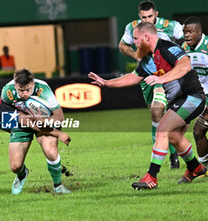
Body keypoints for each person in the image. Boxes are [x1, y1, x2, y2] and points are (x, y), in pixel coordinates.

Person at [89, 22, 206, 190]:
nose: (134, 43)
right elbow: (132, 78)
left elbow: (185, 65)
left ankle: (151, 177)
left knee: (162, 129)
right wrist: (106, 83)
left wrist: (161, 79)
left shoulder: (166, 48)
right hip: (179, 101)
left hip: (193, 98)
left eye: (136, 39)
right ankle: (196, 168)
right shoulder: (147, 59)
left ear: (146, 37)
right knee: (173, 136)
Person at [119, 1, 183, 169]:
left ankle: (163, 159)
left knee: (157, 111)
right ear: (139, 16)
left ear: (156, 14)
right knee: (156, 115)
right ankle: (171, 151)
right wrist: (136, 56)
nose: (147, 20)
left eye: (150, 16)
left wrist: (179, 58)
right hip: (146, 75)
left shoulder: (170, 26)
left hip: (165, 76)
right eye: (143, 17)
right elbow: (122, 45)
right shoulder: (132, 27)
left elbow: (188, 38)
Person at [1, 68, 71, 195]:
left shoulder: (43, 89)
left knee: (51, 151)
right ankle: (22, 175)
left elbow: (59, 117)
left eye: (28, 89)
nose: (25, 94)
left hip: (44, 121)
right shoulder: (7, 91)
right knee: (15, 166)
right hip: (22, 123)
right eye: (21, 90)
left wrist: (43, 121)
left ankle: (58, 185)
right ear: (15, 85)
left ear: (32, 83)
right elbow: (4, 115)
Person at [181, 16, 208, 166]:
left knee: (198, 130)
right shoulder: (184, 48)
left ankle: (201, 167)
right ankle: (203, 168)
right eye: (185, 32)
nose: (186, 35)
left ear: (199, 31)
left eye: (190, 32)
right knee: (198, 131)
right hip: (199, 96)